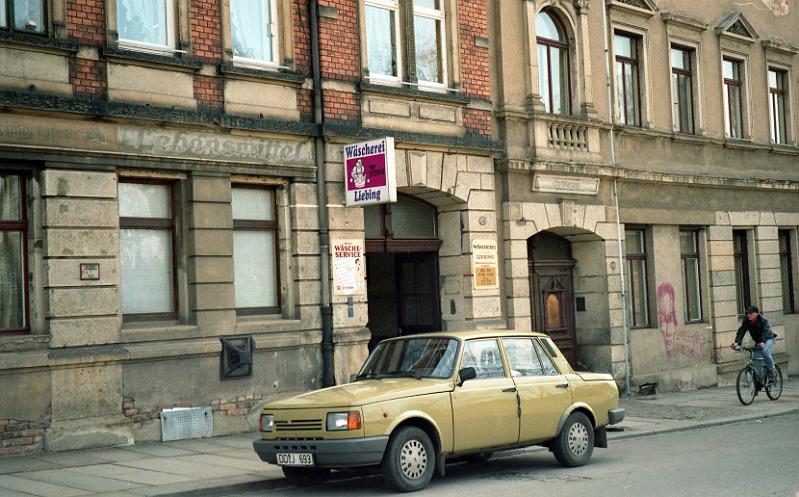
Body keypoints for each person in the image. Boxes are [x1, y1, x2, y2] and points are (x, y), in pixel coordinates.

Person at [730, 305, 778, 389]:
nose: (749, 315)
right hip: (759, 341)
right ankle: (758, 383)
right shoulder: (746, 321)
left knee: (764, 350)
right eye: (747, 313)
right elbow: (741, 331)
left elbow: (766, 332)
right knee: (756, 361)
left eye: (751, 313)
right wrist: (737, 343)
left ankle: (772, 370)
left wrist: (763, 342)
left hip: (768, 339)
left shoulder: (763, 321)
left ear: (757, 313)